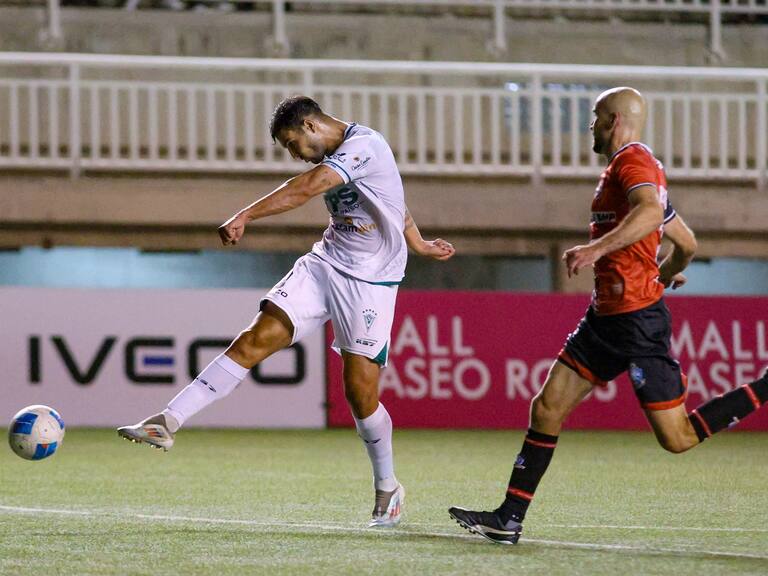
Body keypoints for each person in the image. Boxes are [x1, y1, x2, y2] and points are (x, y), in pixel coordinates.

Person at [448, 86, 768, 545]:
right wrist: (665, 272)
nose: (591, 127)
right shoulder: (625, 170)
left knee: (676, 438)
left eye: (596, 117)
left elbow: (651, 211)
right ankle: (509, 518)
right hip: (605, 318)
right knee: (547, 406)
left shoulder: (633, 163)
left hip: (637, 323)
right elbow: (687, 241)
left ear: (614, 121)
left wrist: (596, 249)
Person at [118, 95, 455, 528]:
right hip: (325, 263)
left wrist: (245, 214)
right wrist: (419, 240)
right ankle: (167, 420)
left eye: (293, 143)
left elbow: (309, 187)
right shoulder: (339, 154)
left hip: (370, 282)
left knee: (359, 392)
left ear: (312, 126)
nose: (294, 155)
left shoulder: (365, 144)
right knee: (255, 338)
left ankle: (387, 485)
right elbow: (391, 199)